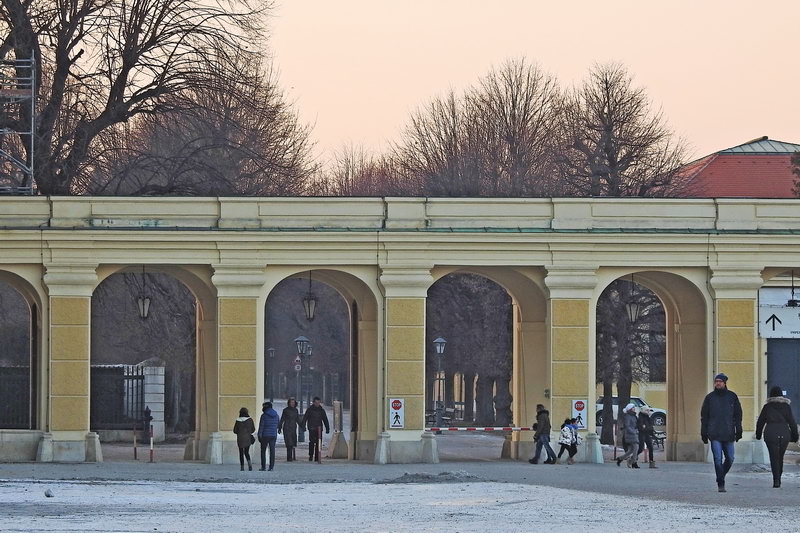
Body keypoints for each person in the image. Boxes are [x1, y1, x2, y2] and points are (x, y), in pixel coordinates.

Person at [701, 373, 743, 492]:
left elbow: (738, 415)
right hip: (714, 433)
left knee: (730, 458)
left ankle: (721, 475)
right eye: (716, 381)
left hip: (729, 433)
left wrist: (738, 430)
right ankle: (721, 483)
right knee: (717, 458)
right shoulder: (710, 398)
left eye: (720, 381)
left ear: (725, 383)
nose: (718, 383)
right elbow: (704, 416)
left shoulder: (732, 397)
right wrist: (704, 432)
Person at [755, 386, 798, 488]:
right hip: (784, 433)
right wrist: (795, 436)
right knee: (780, 457)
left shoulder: (767, 407)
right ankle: (779, 476)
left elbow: (760, 422)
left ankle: (776, 480)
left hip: (770, 433)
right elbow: (792, 422)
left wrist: (758, 434)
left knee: (774, 457)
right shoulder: (787, 407)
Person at [301, 397, 330, 461]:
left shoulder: (321, 410)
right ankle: (311, 455)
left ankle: (317, 456)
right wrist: (303, 426)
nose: (317, 404)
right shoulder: (310, 410)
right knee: (311, 442)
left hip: (319, 429)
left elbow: (325, 419)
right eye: (316, 402)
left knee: (318, 443)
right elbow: (305, 418)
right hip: (312, 428)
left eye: (318, 403)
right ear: (313, 402)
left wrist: (327, 428)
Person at [616, 403, 640, 468]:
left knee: (631, 450)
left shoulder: (634, 416)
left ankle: (620, 458)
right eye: (633, 408)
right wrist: (633, 432)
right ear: (630, 409)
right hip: (630, 434)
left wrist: (637, 430)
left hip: (634, 434)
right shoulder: (628, 416)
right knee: (636, 448)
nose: (634, 409)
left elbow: (635, 425)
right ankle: (633, 462)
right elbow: (627, 426)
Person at [257, 401, 279, 471]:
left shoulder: (264, 416)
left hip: (265, 435)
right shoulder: (276, 415)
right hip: (273, 435)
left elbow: (261, 427)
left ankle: (263, 467)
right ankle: (271, 467)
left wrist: (259, 435)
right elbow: (277, 425)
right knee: (272, 451)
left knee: (263, 451)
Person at [233, 407, 255, 471]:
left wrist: (240, 432)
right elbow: (253, 429)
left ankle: (242, 467)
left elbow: (234, 430)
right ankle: (250, 465)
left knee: (241, 453)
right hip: (248, 439)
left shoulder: (238, 420)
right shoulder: (250, 420)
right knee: (246, 452)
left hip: (240, 439)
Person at [278, 397, 301, 461]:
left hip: (293, 428)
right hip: (287, 428)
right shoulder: (285, 410)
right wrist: (279, 427)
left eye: (293, 402)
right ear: (289, 403)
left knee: (293, 442)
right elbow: (282, 419)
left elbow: (297, 419)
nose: (292, 404)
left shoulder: (296, 410)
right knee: (289, 443)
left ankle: (291, 457)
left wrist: (302, 426)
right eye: (291, 402)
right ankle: (289, 457)